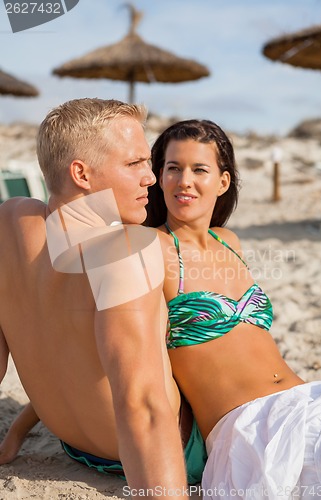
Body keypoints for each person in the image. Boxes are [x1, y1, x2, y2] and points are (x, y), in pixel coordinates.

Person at [0, 98, 205, 496]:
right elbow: (144, 407)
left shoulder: (9, 222)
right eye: (135, 164)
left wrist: (16, 432)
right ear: (81, 173)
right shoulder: (127, 248)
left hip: (76, 448)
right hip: (161, 453)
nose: (152, 177)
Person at [145, 119, 321, 499]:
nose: (184, 180)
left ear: (223, 182)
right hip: (251, 428)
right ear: (158, 177)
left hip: (310, 400)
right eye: (173, 168)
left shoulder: (230, 241)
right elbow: (109, 342)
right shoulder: (151, 248)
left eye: (199, 169)